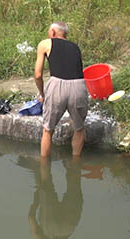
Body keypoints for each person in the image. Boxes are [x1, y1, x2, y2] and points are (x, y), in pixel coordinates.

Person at [34, 22, 89, 157]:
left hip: (57, 85)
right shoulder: (75, 47)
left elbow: (38, 75)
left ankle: (44, 169)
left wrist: (42, 94)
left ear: (52, 32)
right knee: (79, 128)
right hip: (79, 86)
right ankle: (75, 166)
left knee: (47, 130)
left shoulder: (45, 43)